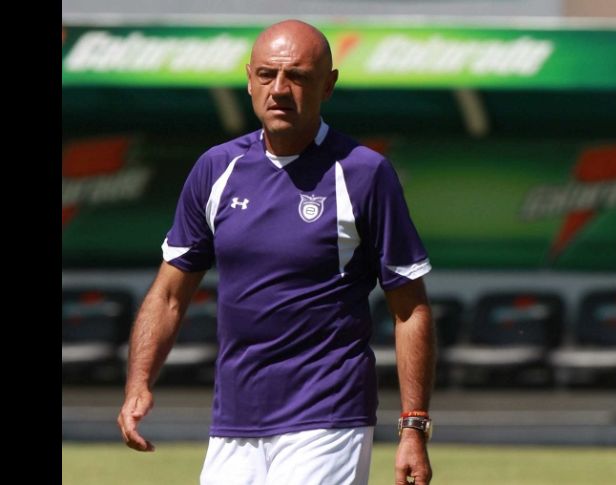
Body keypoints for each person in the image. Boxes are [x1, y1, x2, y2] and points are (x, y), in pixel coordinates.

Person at [117, 19, 436, 485]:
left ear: (328, 85)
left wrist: (413, 426)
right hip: (234, 423)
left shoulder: (365, 173)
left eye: (299, 76)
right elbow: (168, 293)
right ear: (249, 80)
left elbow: (410, 310)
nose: (280, 89)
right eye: (267, 75)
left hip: (329, 414)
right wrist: (138, 383)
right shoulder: (215, 169)